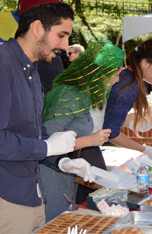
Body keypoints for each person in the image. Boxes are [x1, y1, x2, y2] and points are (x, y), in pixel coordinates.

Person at [0, 0, 94, 233]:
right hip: (7, 199)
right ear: (37, 28)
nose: (65, 45)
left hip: (33, 196)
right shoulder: (0, 63)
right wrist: (47, 146)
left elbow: (29, 138)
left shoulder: (32, 71)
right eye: (61, 35)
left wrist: (59, 161)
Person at [40, 39, 124, 222]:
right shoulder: (68, 94)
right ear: (100, 72)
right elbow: (47, 143)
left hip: (67, 174)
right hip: (52, 177)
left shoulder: (84, 94)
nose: (117, 80)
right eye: (115, 74)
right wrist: (90, 141)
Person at [102, 39, 152, 156]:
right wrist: (145, 150)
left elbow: (108, 115)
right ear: (144, 63)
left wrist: (130, 124)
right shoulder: (130, 85)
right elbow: (111, 133)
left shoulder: (127, 77)